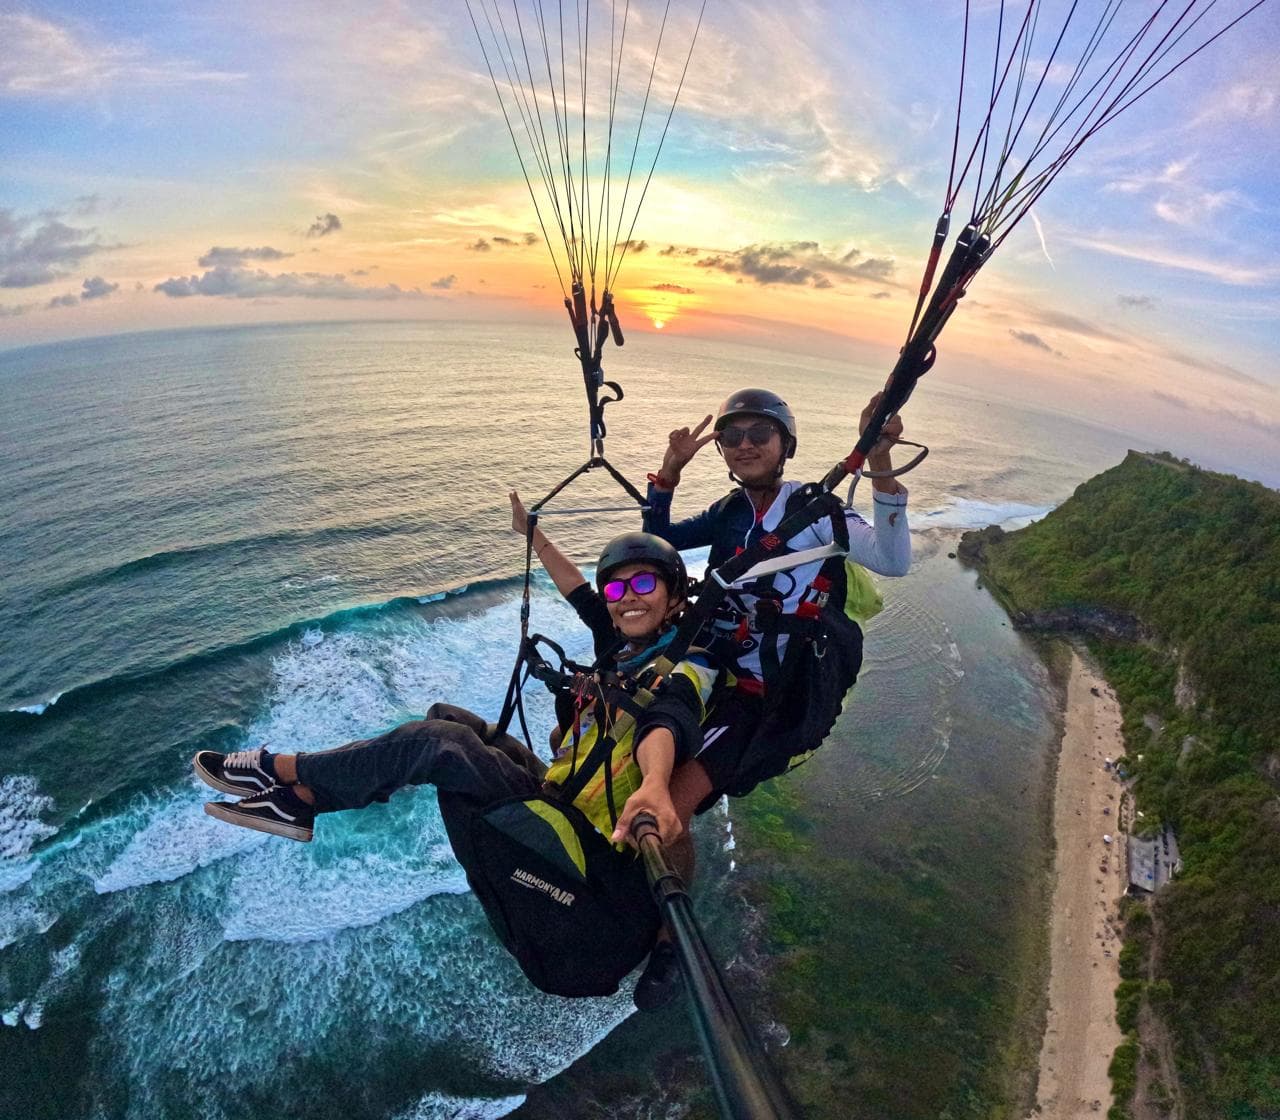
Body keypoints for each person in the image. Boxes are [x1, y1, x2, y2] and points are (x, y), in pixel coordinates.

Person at [195, 528, 719, 1007]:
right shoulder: (624, 648)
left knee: (439, 746)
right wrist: (532, 533)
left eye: (644, 583)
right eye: (616, 590)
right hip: (562, 794)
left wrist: (654, 783)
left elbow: (667, 720)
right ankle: (302, 802)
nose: (627, 597)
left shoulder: (688, 666)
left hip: (590, 847)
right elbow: (576, 588)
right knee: (447, 717)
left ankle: (284, 773)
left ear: (675, 596)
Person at [643, 387, 912, 821]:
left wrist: (879, 462)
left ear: (785, 445)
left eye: (760, 433)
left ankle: (659, 887)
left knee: (672, 804)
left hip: (763, 693)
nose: (744, 444)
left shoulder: (816, 512)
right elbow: (657, 544)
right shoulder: (729, 511)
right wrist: (669, 473)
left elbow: (892, 559)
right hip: (711, 664)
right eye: (731, 437)